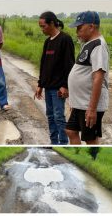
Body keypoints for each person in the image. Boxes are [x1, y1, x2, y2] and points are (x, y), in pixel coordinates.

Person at [66, 11, 109, 145]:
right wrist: (74, 102)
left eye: (80, 28)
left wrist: (92, 109)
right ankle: (78, 155)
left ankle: (91, 161)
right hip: (80, 103)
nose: (77, 32)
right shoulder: (89, 44)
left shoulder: (98, 46)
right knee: (71, 131)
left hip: (88, 105)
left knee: (90, 139)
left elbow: (98, 77)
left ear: (91, 27)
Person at [35, 11, 75, 145]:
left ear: (52, 23)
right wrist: (40, 85)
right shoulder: (47, 42)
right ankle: (53, 142)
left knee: (59, 117)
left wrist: (65, 85)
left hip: (58, 88)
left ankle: (63, 144)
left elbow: (69, 65)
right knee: (50, 116)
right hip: (48, 87)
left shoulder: (65, 39)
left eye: (43, 26)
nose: (42, 29)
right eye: (40, 26)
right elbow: (44, 65)